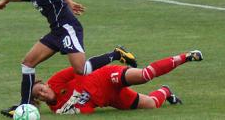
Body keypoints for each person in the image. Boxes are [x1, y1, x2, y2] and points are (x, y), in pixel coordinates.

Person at [0, 0, 137, 118]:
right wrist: (7, 0)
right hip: (55, 32)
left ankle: (117, 54)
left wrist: (69, 2)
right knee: (27, 63)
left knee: (81, 69)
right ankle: (23, 105)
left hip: (68, 28)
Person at [32, 50, 203, 114]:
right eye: (38, 95)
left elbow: (83, 67)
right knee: (151, 104)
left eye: (40, 88)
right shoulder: (57, 110)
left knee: (144, 75)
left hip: (107, 76)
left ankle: (186, 56)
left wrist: (112, 56)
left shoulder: (56, 81)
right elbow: (87, 110)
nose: (41, 93)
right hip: (111, 99)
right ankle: (166, 91)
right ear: (39, 101)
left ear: (45, 84)